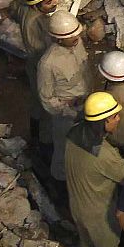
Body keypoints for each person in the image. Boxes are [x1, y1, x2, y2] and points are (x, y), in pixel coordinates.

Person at [66, 92, 124, 247]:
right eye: (114, 117)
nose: (118, 119)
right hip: (99, 215)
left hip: (77, 205)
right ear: (104, 121)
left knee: (86, 243)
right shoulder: (104, 155)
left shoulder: (74, 133)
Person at [37, 10, 92, 181]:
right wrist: (69, 112)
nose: (76, 38)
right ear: (58, 38)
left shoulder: (78, 42)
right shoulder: (48, 63)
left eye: (77, 34)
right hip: (66, 115)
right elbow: (47, 100)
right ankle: (60, 178)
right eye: (71, 36)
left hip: (86, 103)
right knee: (64, 148)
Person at [18, 0, 63, 149]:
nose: (55, 2)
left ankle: (35, 133)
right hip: (41, 69)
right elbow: (48, 55)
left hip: (32, 64)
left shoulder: (24, 7)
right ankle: (44, 143)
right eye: (48, 2)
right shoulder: (38, 24)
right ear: (35, 6)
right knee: (47, 108)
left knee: (37, 104)